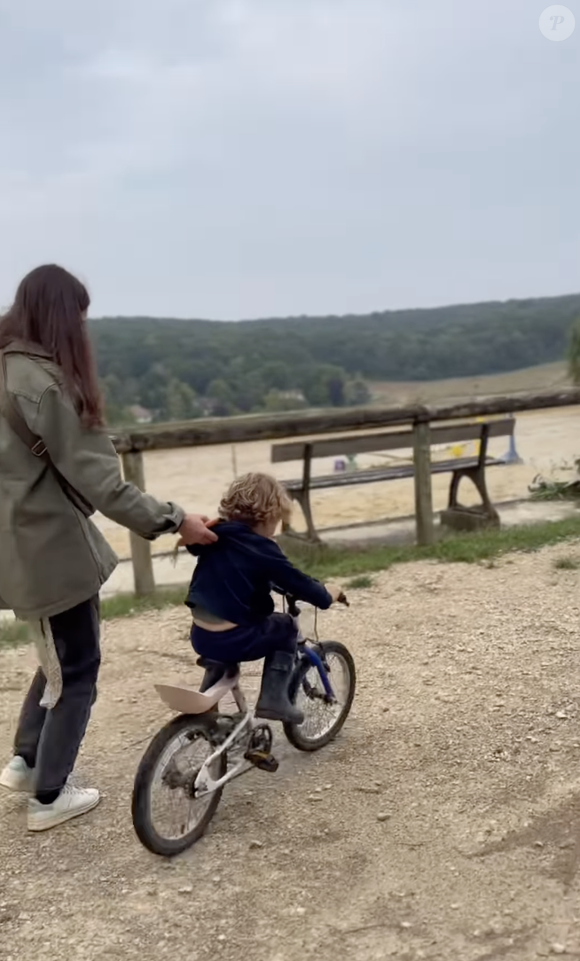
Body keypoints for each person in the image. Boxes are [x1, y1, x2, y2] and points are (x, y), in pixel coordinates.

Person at [0, 264, 217, 832]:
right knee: (77, 668)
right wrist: (175, 521)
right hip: (50, 547)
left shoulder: (4, 369)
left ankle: (26, 762)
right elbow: (102, 482)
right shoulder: (47, 382)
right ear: (63, 318)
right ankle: (49, 795)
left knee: (56, 658)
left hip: (15, 544)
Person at [186, 472, 343, 724]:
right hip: (235, 638)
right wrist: (327, 594)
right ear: (269, 516)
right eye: (277, 521)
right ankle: (274, 700)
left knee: (228, 632)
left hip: (202, 636)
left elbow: (194, 545)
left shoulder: (217, 535)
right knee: (285, 626)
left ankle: (207, 708)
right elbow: (298, 582)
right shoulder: (264, 549)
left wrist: (215, 523)